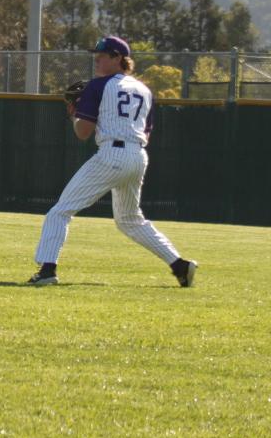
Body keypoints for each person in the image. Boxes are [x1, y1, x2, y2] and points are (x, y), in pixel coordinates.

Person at [27, 35, 198, 287]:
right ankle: (179, 265)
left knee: (60, 211)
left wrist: (74, 115)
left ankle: (47, 269)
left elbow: (83, 132)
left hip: (111, 154)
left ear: (118, 58)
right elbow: (146, 133)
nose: (96, 59)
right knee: (130, 219)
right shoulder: (145, 90)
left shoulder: (98, 86)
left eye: (103, 55)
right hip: (138, 156)